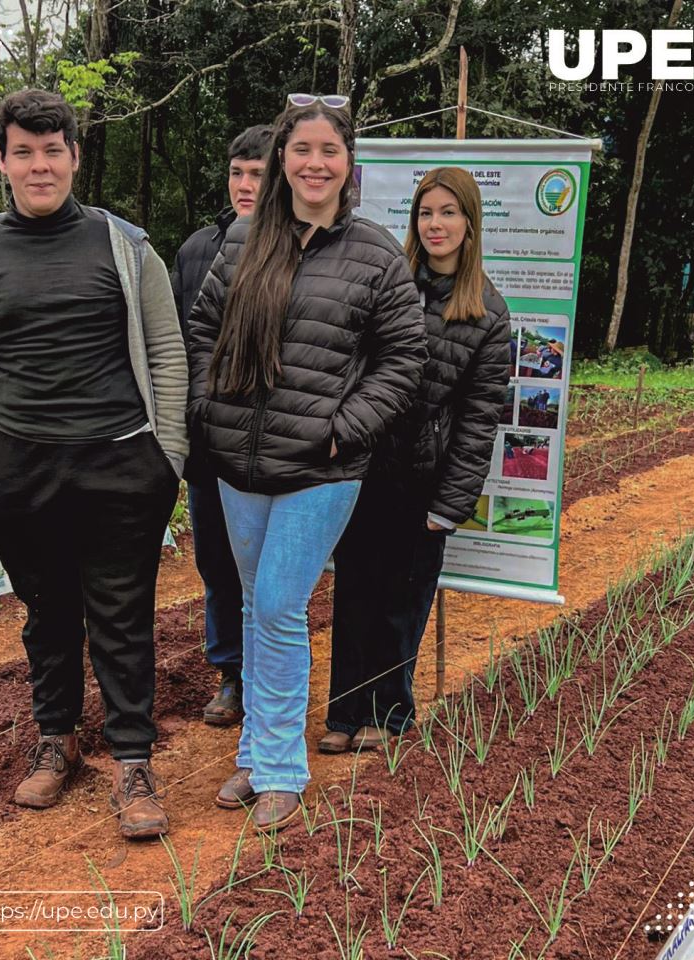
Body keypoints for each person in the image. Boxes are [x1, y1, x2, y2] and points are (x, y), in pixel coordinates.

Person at [0, 90, 188, 839]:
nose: (40, 165)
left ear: (75, 157)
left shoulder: (126, 246)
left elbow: (167, 350)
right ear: (3, 161)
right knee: (47, 615)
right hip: (18, 472)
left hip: (121, 465)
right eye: (25, 151)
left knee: (122, 618)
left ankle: (132, 764)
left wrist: (166, 457)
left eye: (54, 150)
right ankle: (58, 743)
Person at [185, 94, 427, 832]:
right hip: (239, 466)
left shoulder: (375, 253)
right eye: (302, 150)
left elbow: (403, 357)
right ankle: (256, 754)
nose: (314, 163)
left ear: (349, 164)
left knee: (280, 607)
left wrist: (342, 430)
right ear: (284, 159)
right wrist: (210, 408)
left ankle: (284, 770)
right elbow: (203, 327)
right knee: (257, 605)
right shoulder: (244, 242)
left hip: (322, 471)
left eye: (329, 151)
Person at [323, 166, 511, 754]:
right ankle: (343, 713)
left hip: (423, 483)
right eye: (426, 213)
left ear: (470, 223)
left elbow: (480, 422)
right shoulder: (390, 283)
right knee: (354, 592)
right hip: (364, 469)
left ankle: (390, 714)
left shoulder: (487, 314)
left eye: (449, 213)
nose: (436, 225)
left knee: (402, 603)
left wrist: (449, 505)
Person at [171, 125, 273, 728]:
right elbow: (180, 346)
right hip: (209, 443)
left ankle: (268, 675)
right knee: (217, 561)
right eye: (237, 172)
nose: (244, 185)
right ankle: (231, 673)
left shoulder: (302, 249)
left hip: (275, 446)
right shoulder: (194, 251)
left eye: (257, 174)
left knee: (268, 569)